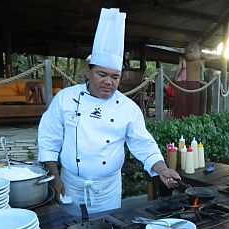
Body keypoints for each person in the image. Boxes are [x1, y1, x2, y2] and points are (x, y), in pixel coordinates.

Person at [38, 8, 180, 216]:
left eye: (115, 76)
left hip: (108, 191)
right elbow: (48, 141)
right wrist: (55, 180)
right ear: (88, 72)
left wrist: (162, 169)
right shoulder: (65, 99)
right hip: (71, 187)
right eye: (102, 74)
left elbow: (144, 145)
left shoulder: (128, 108)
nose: (108, 81)